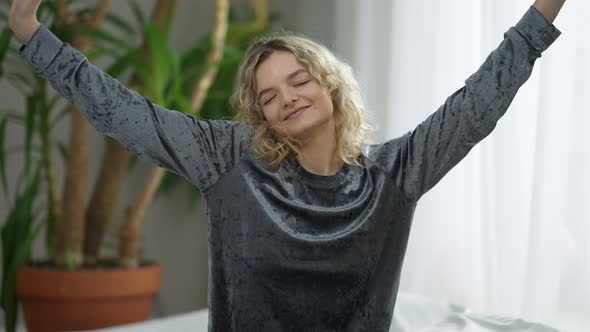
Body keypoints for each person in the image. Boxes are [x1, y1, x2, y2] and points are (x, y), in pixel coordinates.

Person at [8, 0, 565, 331]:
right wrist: (29, 30)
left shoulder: (396, 173)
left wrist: (544, 11)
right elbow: (124, 112)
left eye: (298, 80)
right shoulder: (228, 157)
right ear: (262, 116)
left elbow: (477, 104)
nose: (288, 98)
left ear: (329, 83)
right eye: (269, 96)